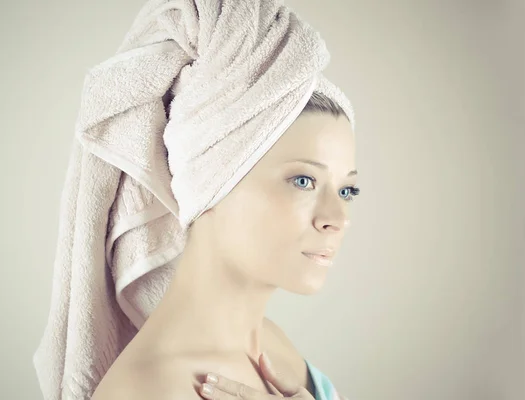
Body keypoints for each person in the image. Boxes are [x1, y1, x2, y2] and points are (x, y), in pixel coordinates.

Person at [89, 92, 359, 400]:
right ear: (209, 186)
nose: (338, 218)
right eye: (303, 181)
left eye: (347, 190)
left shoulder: (273, 343)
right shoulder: (145, 391)